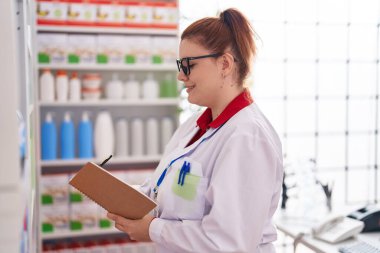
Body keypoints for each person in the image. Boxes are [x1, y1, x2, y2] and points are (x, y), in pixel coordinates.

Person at [107, 8, 283, 253]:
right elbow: (164, 186)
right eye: (180, 65)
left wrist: (153, 229)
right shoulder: (195, 125)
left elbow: (229, 243)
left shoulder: (248, 138)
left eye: (188, 65)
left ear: (224, 64)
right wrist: (122, 196)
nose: (180, 76)